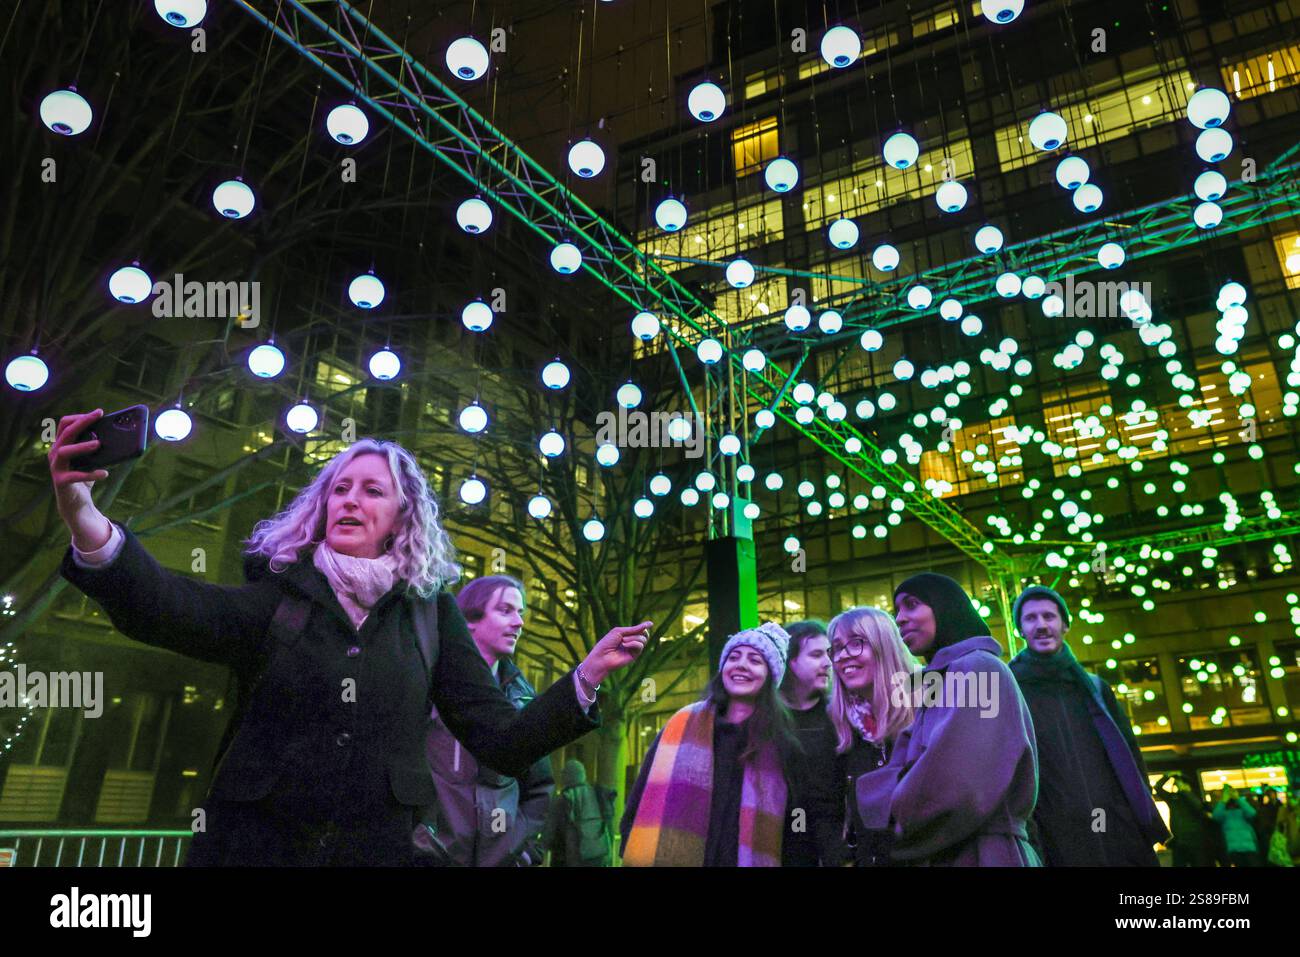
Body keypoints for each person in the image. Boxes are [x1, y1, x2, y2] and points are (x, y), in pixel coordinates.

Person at [51, 410, 649, 865]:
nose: (350, 500)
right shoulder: (279, 595)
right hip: (252, 850)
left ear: (401, 516)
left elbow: (502, 740)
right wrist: (84, 514)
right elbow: (168, 607)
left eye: (371, 490)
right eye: (340, 488)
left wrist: (586, 677)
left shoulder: (430, 614)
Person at [854, 573, 1041, 866]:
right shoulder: (939, 679)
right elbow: (907, 763)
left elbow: (956, 782)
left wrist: (890, 814)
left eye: (912, 605)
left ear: (944, 607)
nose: (900, 618)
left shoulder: (978, 666)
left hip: (982, 852)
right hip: (952, 849)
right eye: (897, 611)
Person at [1007, 585, 1168, 866]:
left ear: (1065, 625)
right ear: (1020, 629)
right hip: (1052, 837)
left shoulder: (1094, 689)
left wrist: (1133, 816)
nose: (1041, 625)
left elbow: (1131, 756)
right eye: (1031, 618)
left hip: (1114, 830)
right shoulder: (1010, 690)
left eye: (1049, 616)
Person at [620, 622, 800, 866]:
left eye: (755, 660)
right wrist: (628, 847)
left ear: (771, 676)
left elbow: (796, 822)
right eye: (734, 657)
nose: (741, 665)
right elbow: (642, 792)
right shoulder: (681, 724)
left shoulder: (782, 744)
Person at [416, 575, 553, 866]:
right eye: (505, 611)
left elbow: (539, 788)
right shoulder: (426, 683)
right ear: (468, 620)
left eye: (521, 613)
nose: (519, 622)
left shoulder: (523, 697)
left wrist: (522, 849)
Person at [825, 607, 920, 866]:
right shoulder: (838, 727)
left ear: (885, 646)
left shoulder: (931, 711)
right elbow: (825, 811)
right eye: (836, 648)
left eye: (856, 643)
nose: (843, 656)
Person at [778, 619, 845, 866]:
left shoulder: (840, 715)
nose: (828, 663)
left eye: (829, 654)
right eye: (816, 654)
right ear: (790, 661)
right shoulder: (765, 720)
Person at [542, 758, 616, 867]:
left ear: (567, 777)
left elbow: (548, 833)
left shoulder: (563, 799)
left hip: (567, 860)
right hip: (598, 859)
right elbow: (609, 831)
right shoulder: (598, 795)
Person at [1155, 774, 1215, 867]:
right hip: (1179, 840)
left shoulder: (1193, 797)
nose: (1178, 786)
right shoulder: (1173, 798)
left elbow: (1197, 807)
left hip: (1196, 840)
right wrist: (1167, 776)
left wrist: (1184, 791)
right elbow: (1158, 788)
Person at [1213, 785, 1260, 866]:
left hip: (1249, 847)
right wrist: (1223, 801)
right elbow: (1216, 816)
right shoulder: (1223, 810)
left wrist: (1238, 799)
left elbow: (1252, 813)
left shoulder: (1242, 808)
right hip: (1233, 849)